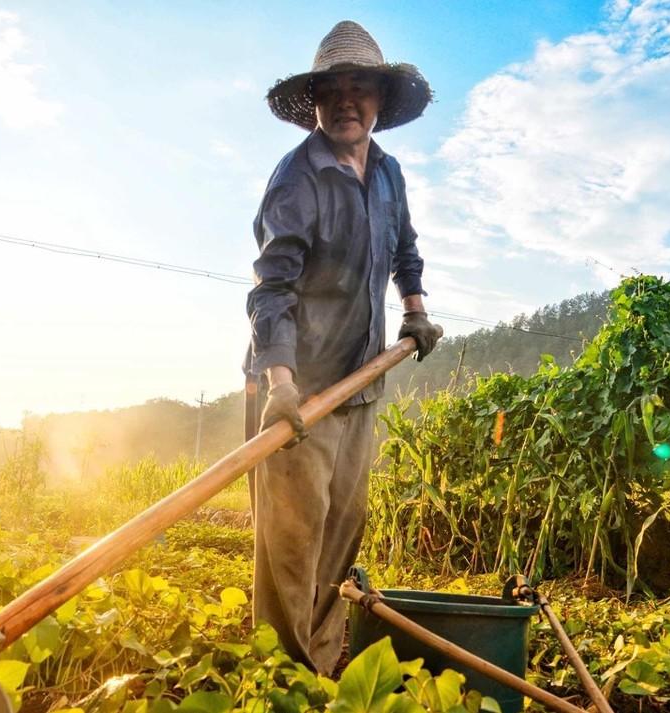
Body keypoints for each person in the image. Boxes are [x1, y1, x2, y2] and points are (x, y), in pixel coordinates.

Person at [244, 20, 439, 674]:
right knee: (292, 542)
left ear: (380, 100)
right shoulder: (296, 178)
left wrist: (415, 312)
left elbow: (405, 251)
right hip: (297, 385)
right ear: (317, 101)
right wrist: (279, 384)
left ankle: (322, 668)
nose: (348, 100)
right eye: (335, 89)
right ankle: (282, 678)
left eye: (362, 87)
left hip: (360, 381)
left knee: (340, 530)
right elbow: (273, 286)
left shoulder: (387, 175)